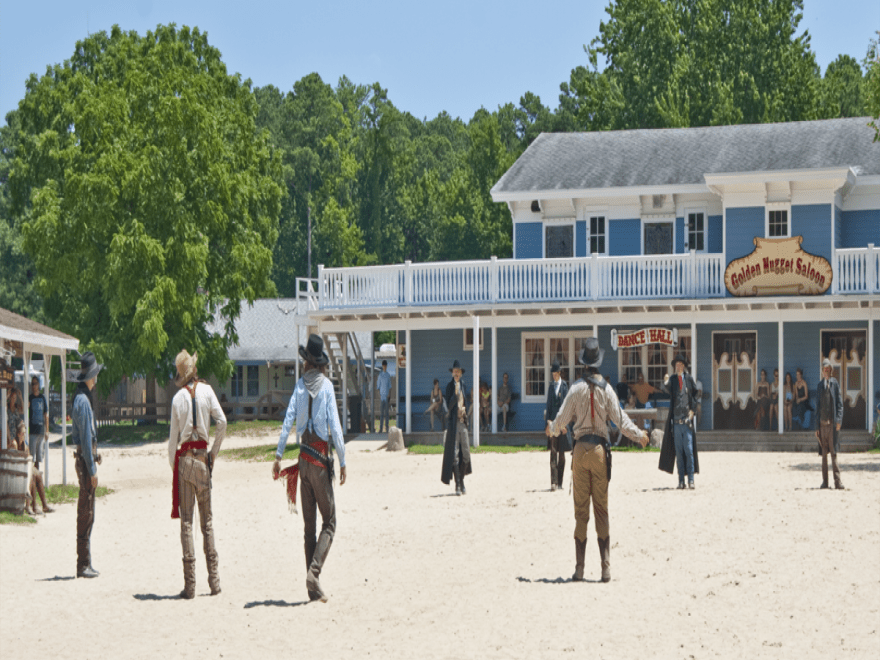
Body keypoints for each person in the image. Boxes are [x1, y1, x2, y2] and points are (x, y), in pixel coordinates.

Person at [546, 338, 648, 583]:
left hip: (580, 450)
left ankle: (580, 569)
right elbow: (621, 421)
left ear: (583, 363)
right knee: (601, 509)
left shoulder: (576, 388)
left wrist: (552, 428)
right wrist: (639, 435)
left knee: (581, 511)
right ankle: (605, 568)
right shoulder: (606, 388)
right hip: (601, 452)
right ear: (598, 362)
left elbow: (560, 420)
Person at [273, 334, 347, 602]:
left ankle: (311, 587)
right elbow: (335, 428)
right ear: (321, 364)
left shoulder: (299, 387)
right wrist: (343, 459)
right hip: (319, 461)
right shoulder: (326, 387)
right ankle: (313, 574)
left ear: (307, 363)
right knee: (330, 521)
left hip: (303, 460)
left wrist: (279, 455)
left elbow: (287, 420)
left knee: (309, 527)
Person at [167, 350, 227, 599]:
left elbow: (172, 443)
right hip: (203, 459)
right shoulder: (207, 391)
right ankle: (214, 582)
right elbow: (222, 422)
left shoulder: (178, 398)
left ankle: (190, 585)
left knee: (187, 523)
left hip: (184, 461)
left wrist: (176, 468)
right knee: (208, 522)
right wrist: (213, 453)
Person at [70, 352, 103, 578]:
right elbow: (84, 439)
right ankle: (83, 564)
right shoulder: (83, 400)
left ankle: (85, 562)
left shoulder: (82, 398)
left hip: (85, 457)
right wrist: (92, 469)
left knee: (88, 511)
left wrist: (95, 456)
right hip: (84, 461)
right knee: (86, 512)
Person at [659, 353, 700, 490]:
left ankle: (691, 480)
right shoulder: (672, 380)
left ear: (683, 366)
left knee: (688, 451)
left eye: (680, 364)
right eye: (676, 365)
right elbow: (667, 389)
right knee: (679, 452)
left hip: (687, 422)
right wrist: (665, 381)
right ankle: (681, 481)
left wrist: (693, 411)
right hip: (676, 424)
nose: (678, 366)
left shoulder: (688, 379)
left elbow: (695, 394)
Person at [441, 360, 472, 496]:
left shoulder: (464, 385)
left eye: (458, 371)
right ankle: (458, 485)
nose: (456, 374)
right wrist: (455, 393)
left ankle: (461, 480)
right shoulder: (449, 387)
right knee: (454, 455)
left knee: (466, 454)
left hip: (462, 422)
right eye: (454, 371)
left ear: (461, 373)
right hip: (453, 424)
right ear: (452, 373)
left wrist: (466, 412)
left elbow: (467, 401)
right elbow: (449, 404)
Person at [816, 358, 844, 490]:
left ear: (830, 371)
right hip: (822, 425)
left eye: (828, 369)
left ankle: (837, 482)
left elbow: (839, 404)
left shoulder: (835, 384)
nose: (826, 371)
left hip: (832, 424)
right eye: (824, 369)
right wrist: (816, 427)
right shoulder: (819, 386)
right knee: (824, 455)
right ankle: (825, 482)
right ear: (822, 371)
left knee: (834, 454)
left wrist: (838, 420)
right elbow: (817, 407)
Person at [545, 361, 572, 491]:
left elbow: (567, 406)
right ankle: (553, 482)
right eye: (553, 374)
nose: (554, 376)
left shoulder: (565, 386)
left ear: (560, 373)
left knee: (561, 454)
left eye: (556, 373)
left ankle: (560, 481)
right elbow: (548, 406)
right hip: (552, 423)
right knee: (553, 452)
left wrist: (565, 424)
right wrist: (547, 423)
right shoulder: (551, 387)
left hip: (562, 424)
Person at [376, 360, 392, 433]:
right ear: (382, 366)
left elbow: (390, 386)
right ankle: (381, 428)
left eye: (385, 365)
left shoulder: (388, 375)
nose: (384, 367)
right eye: (383, 365)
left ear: (386, 366)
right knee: (381, 414)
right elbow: (378, 387)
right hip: (382, 396)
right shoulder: (380, 375)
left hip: (386, 396)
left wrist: (389, 394)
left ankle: (387, 428)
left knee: (387, 414)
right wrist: (379, 395)